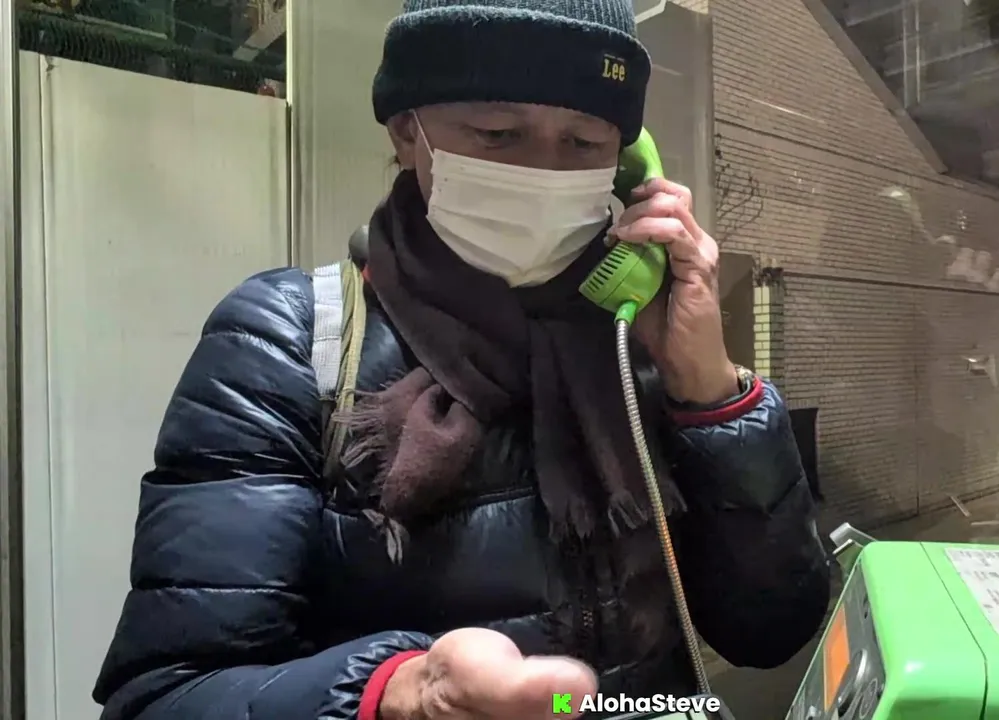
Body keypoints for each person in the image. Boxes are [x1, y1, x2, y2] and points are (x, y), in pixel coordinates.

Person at [91, 1, 831, 719]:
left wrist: (709, 389)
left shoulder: (632, 333)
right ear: (407, 130)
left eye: (584, 143)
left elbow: (771, 630)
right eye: (498, 133)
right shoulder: (286, 339)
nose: (544, 169)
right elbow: (168, 694)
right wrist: (401, 693)